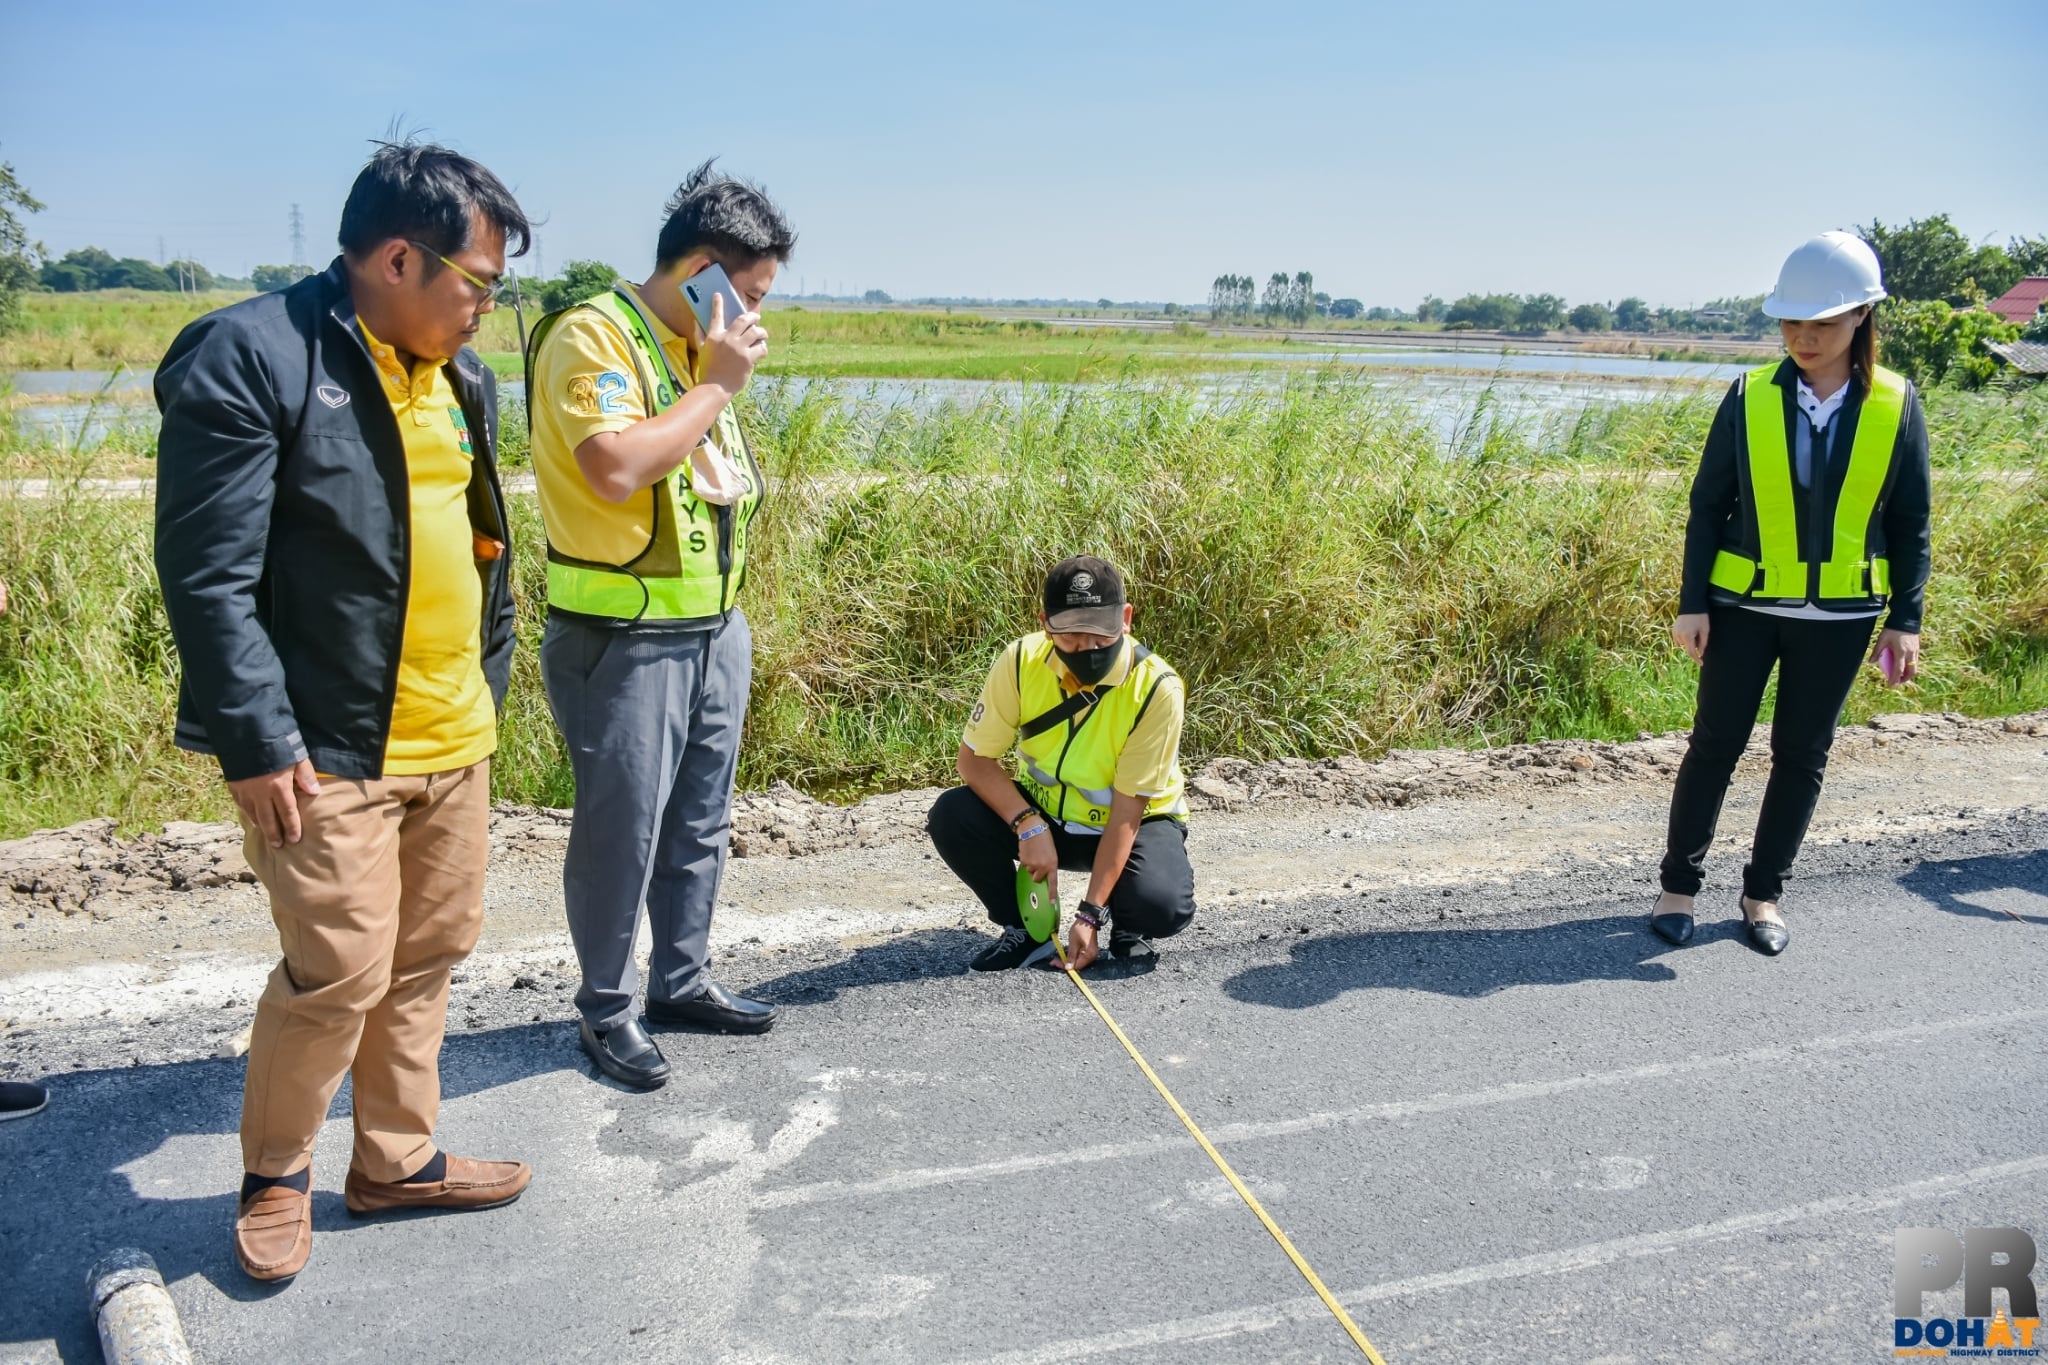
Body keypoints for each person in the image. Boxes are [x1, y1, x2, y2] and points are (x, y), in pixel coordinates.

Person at [154, 141, 533, 1283]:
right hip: (325, 749)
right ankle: (276, 1174)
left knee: (428, 956)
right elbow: (207, 577)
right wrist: (255, 736)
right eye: (478, 282)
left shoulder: (462, 377)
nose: (485, 306)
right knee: (339, 973)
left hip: (453, 737)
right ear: (397, 259)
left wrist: (488, 679)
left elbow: (479, 537)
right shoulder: (255, 354)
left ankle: (397, 1159)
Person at [526, 161, 796, 1091]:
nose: (753, 316)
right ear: (697, 271)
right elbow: (612, 468)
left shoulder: (689, 350)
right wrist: (718, 387)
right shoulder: (594, 334)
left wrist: (709, 378)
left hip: (714, 626)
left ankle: (680, 979)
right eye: (747, 293)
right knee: (622, 832)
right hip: (624, 636)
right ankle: (607, 1009)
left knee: (701, 820)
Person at [1650, 231, 1930, 957]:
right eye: (1792, 322)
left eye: (1824, 322)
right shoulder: (1749, 396)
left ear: (1862, 316)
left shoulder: (1896, 403)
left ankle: (1763, 893)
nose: (1804, 337)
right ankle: (1678, 888)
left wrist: (1904, 620)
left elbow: (1910, 521)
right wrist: (1691, 603)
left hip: (1841, 618)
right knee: (1714, 746)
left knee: (1803, 754)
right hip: (1741, 611)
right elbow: (1707, 506)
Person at [928, 557, 1197, 971]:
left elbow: (1127, 812)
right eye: (1071, 635)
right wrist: (1028, 824)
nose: (1087, 647)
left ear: (1125, 619)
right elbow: (974, 760)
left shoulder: (1157, 688)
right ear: (1046, 624)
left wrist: (1089, 915)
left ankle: (1127, 926)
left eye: (1100, 633)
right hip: (1048, 819)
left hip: (1132, 825)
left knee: (1159, 904)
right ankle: (1027, 930)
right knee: (952, 815)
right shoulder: (1020, 661)